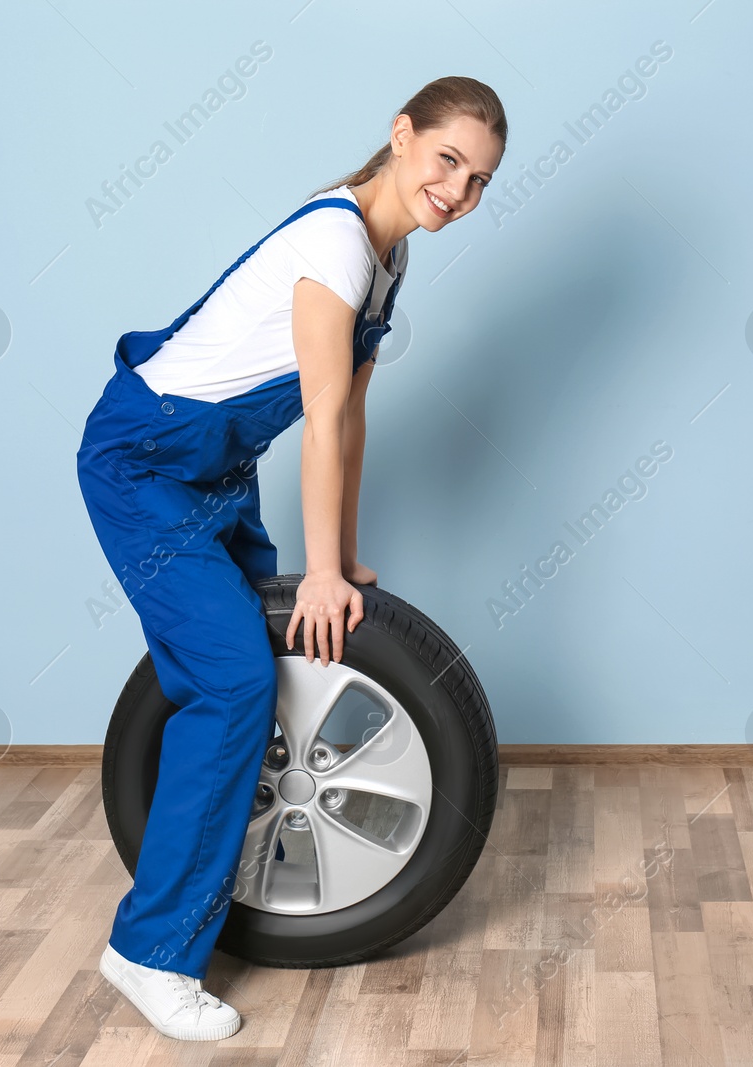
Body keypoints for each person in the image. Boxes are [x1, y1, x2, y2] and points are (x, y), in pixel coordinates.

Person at [76, 76, 506, 1041]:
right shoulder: (335, 244)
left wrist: (339, 563)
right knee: (231, 684)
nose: (459, 191)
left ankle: (211, 889)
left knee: (258, 670)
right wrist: (312, 569)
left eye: (479, 181)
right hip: (144, 462)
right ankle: (146, 954)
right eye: (447, 160)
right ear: (402, 137)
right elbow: (317, 419)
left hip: (215, 467)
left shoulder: (386, 260)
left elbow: (350, 420)